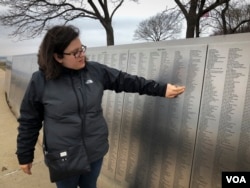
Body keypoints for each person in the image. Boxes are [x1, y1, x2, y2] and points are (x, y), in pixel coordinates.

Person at [16, 25, 185, 188]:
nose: (81, 55)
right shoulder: (40, 81)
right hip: (64, 157)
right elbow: (29, 121)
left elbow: (125, 80)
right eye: (75, 53)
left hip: (95, 151)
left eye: (81, 48)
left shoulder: (94, 71)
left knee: (90, 185)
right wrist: (25, 154)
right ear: (57, 57)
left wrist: (161, 89)